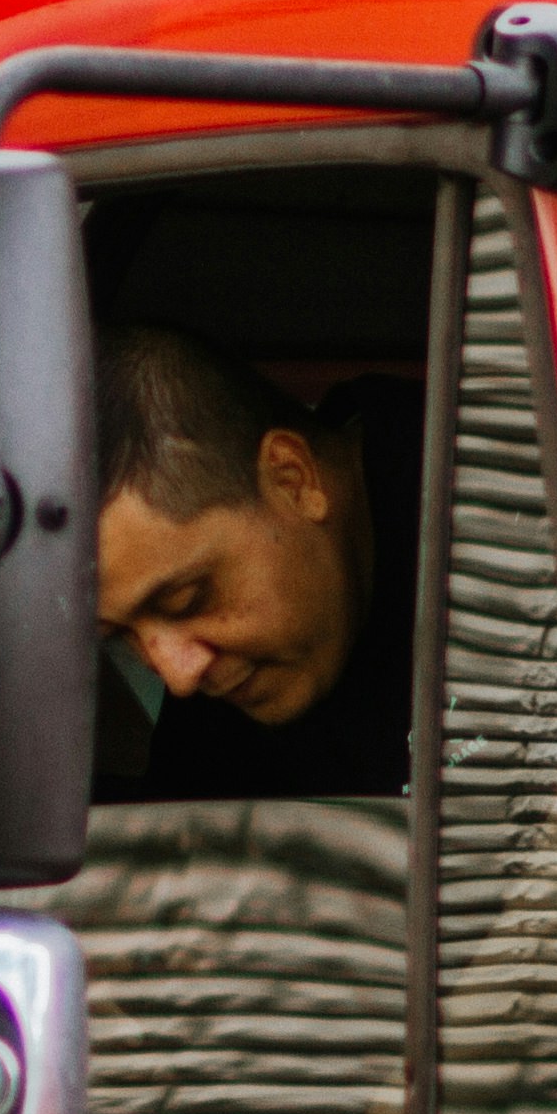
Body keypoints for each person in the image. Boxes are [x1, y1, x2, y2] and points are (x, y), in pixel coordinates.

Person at [91, 322, 422, 798]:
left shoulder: (517, 509)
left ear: (292, 479)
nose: (179, 677)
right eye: (123, 637)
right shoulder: (220, 700)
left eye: (188, 600)